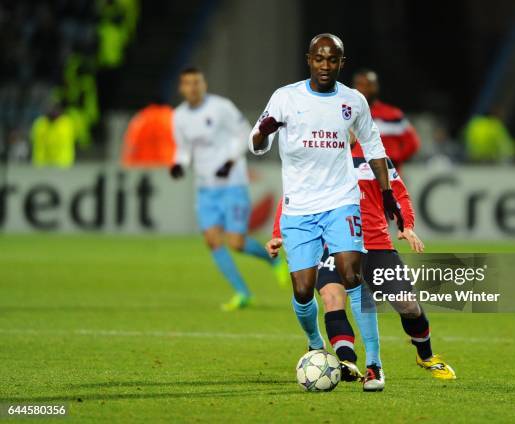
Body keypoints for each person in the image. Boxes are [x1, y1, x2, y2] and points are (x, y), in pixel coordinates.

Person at [249, 33, 404, 382]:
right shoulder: (285, 98)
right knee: (303, 290)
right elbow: (256, 143)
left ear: (340, 63)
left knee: (352, 275)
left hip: (341, 202)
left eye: (331, 59)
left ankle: (375, 364)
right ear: (309, 60)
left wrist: (388, 195)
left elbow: (374, 148)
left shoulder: (353, 101)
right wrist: (264, 131)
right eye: (318, 59)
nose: (324, 65)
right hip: (299, 207)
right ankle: (315, 341)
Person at [267, 138, 456, 391]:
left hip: (376, 244)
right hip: (333, 244)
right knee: (332, 298)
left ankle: (426, 355)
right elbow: (294, 195)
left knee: (408, 305)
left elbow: (399, 192)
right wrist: (279, 231)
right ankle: (348, 362)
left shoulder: (374, 156)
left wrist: (406, 225)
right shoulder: (319, 154)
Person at [170, 67, 288, 311]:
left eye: (197, 82)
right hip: (205, 188)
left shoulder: (221, 106)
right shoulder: (178, 116)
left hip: (232, 184)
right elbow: (182, 149)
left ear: (203, 84)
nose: (193, 87)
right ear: (182, 88)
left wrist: (230, 161)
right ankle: (243, 293)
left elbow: (245, 132)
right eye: (188, 83)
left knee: (236, 242)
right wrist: (179, 164)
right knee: (213, 241)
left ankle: (273, 261)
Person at [352, 69, 420, 170]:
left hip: (388, 178)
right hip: (356, 179)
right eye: (360, 84)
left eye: (369, 84)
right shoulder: (346, 114)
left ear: (376, 86)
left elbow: (413, 143)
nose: (365, 88)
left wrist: (395, 160)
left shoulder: (393, 115)